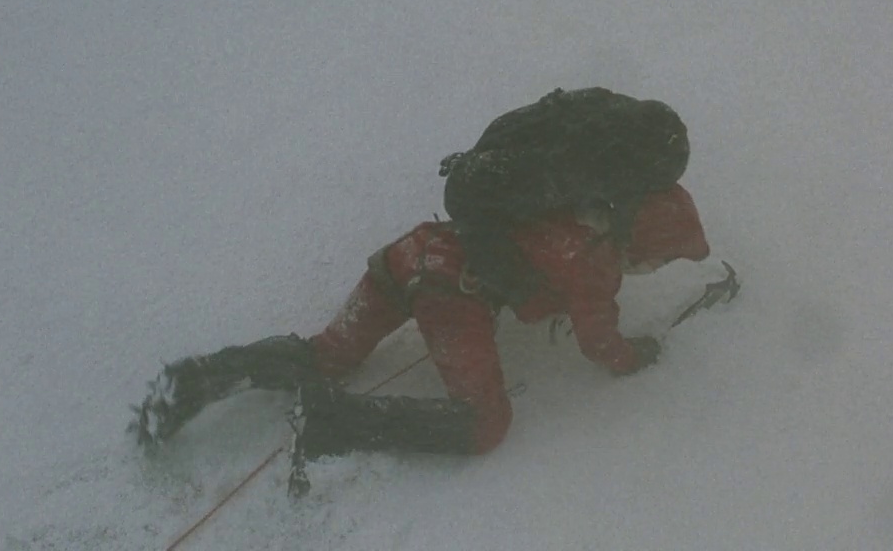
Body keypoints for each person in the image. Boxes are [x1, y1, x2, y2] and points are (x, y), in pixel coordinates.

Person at [130, 89, 715, 489]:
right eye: (660, 261)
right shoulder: (593, 255)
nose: (654, 271)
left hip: (410, 254)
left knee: (327, 355)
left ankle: (199, 378)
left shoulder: (563, 196)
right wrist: (638, 355)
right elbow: (600, 342)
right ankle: (337, 421)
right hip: (449, 294)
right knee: (485, 423)